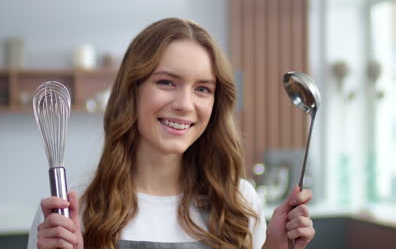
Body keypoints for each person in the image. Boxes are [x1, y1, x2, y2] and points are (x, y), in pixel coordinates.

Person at [27, 17, 315, 249]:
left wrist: (277, 246)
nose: (184, 104)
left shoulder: (240, 202)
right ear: (132, 91)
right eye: (166, 82)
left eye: (202, 89)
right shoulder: (69, 213)